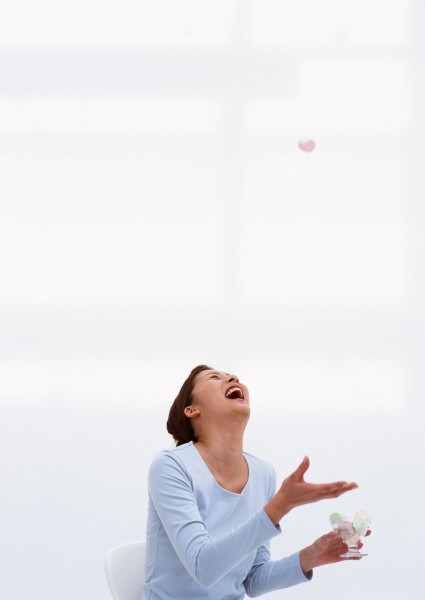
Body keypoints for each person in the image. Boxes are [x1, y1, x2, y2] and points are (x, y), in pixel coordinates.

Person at [141, 365, 365, 599]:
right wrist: (280, 506)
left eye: (231, 375)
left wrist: (312, 555)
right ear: (192, 410)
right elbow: (202, 567)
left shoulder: (262, 473)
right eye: (214, 377)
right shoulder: (171, 466)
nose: (232, 377)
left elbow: (253, 579)